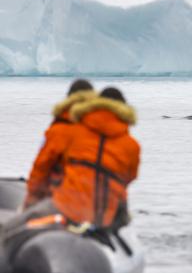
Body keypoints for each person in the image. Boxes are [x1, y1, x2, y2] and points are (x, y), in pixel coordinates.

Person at [3, 87, 140, 252]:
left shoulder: (75, 133)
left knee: (10, 230)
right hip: (105, 215)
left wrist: (31, 202)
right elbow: (130, 177)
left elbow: (43, 168)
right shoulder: (132, 146)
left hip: (68, 208)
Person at [23, 79, 96, 209]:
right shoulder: (102, 130)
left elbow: (41, 166)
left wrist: (30, 200)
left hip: (64, 201)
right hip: (97, 203)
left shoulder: (59, 130)